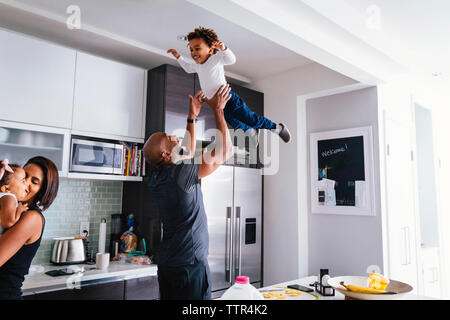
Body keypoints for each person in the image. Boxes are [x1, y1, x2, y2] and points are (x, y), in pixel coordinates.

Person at [143, 84, 233, 300]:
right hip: (189, 264)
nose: (174, 137)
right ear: (165, 154)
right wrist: (218, 111)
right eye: (168, 137)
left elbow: (187, 152)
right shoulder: (179, 174)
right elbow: (226, 151)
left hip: (169, 264)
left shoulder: (156, 179)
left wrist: (192, 116)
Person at [167, 26, 292, 146]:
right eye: (191, 49)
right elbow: (188, 68)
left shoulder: (215, 60)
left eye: (197, 48)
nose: (193, 52)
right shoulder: (198, 66)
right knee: (232, 121)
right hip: (218, 103)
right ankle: (250, 131)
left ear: (210, 50)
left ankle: (277, 128)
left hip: (228, 98)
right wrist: (178, 57)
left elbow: (231, 60)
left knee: (251, 119)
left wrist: (224, 48)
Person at [0, 156, 59, 300]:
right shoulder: (9, 205)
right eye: (24, 176)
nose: (26, 182)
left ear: (42, 190)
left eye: (34, 181)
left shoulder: (31, 218)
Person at [0, 163, 30, 235]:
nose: (27, 184)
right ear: (6, 188)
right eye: (23, 181)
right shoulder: (8, 197)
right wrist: (20, 209)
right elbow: (8, 222)